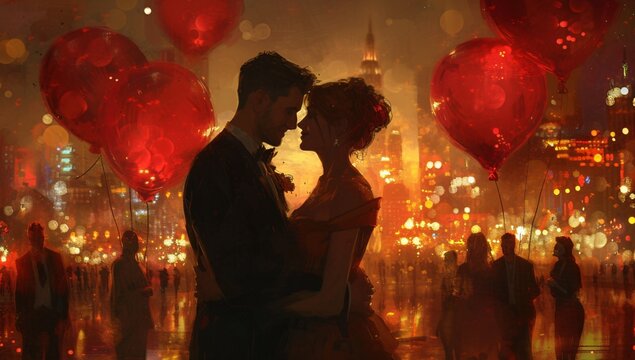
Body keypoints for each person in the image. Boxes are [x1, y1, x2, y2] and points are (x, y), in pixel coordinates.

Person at [183, 51, 316, 359]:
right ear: (259, 101)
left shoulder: (251, 161)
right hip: (233, 343)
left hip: (256, 339)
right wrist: (319, 282)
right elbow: (239, 273)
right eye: (289, 110)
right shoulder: (216, 165)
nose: (294, 123)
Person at [277, 77, 396, 359]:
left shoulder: (350, 191)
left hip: (329, 340)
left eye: (312, 117)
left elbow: (330, 300)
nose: (301, 125)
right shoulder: (328, 184)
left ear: (340, 127)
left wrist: (266, 308)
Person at [15, 222, 69, 360]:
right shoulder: (23, 262)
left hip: (52, 312)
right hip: (32, 313)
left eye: (40, 238)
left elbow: (63, 290)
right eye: (34, 239)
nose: (38, 242)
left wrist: (63, 317)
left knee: (53, 353)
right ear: (30, 240)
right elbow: (20, 292)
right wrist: (20, 316)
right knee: (30, 353)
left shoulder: (55, 258)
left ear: (43, 238)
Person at [492, 233, 540, 360]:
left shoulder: (525, 266)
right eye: (503, 245)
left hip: (522, 314)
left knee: (523, 349)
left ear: (513, 245)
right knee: (505, 350)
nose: (504, 248)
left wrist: (525, 300)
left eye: (507, 245)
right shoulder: (496, 266)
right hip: (504, 314)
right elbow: (494, 291)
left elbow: (535, 289)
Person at [454, 232, 499, 359]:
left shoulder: (464, 270)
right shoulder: (491, 270)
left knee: (472, 352)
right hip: (483, 318)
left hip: (471, 319)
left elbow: (457, 295)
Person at [111, 230, 153, 360]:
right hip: (129, 319)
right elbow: (121, 293)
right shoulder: (120, 264)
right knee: (129, 353)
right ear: (126, 244)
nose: (136, 245)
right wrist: (143, 292)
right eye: (133, 242)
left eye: (136, 242)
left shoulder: (137, 264)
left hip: (139, 318)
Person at [547, 236, 584, 360]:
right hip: (562, 308)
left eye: (558, 246)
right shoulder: (558, 265)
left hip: (570, 310)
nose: (555, 248)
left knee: (568, 345)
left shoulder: (572, 267)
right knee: (560, 344)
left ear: (564, 249)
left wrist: (555, 284)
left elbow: (571, 291)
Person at [438, 250, 458, 360]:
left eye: (447, 260)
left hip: (457, 314)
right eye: (445, 260)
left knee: (456, 347)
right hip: (448, 314)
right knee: (448, 348)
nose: (445, 262)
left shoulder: (460, 273)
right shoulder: (445, 277)